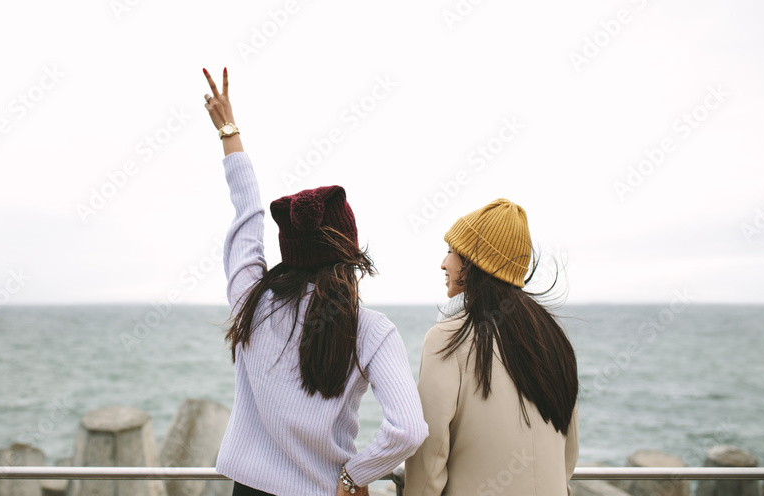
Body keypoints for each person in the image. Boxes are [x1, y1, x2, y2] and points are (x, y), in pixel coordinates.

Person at [201, 67, 427, 496]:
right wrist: (353, 475)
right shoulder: (372, 329)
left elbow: (246, 215)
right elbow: (408, 431)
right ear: (349, 249)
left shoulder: (252, 302)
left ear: (289, 249)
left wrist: (229, 131)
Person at [404, 199, 580, 496]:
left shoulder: (447, 337)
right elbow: (569, 451)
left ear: (474, 261)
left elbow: (429, 455)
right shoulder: (554, 338)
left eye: (450, 251)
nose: (444, 263)